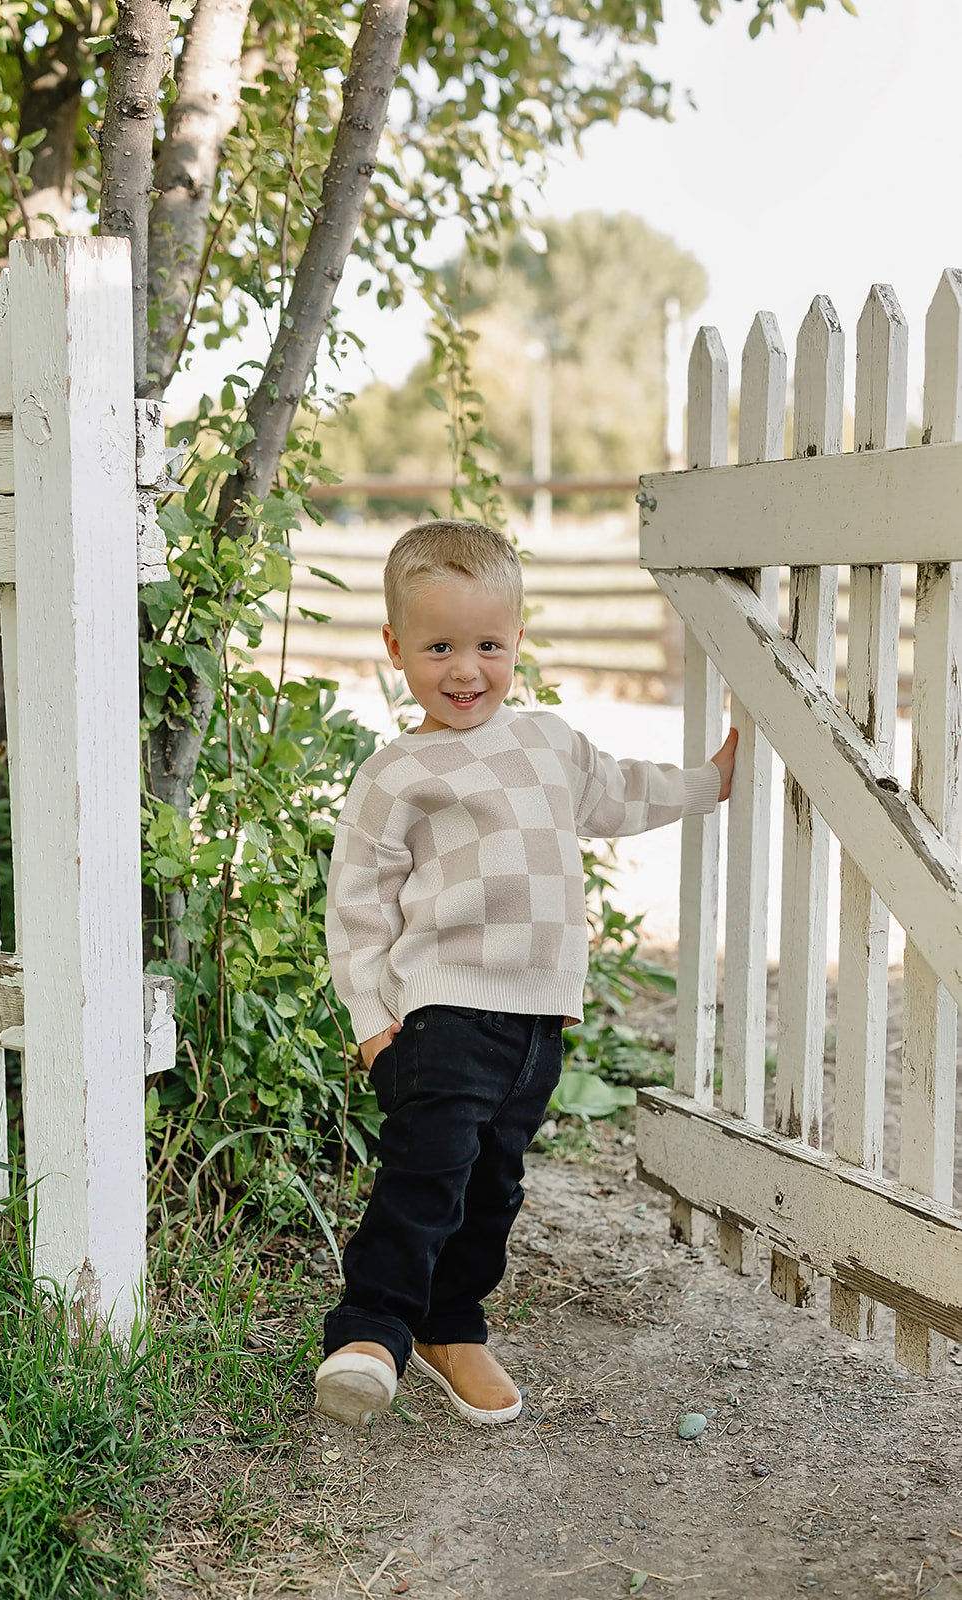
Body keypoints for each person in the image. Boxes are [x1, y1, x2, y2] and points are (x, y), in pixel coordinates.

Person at [314, 520, 736, 1428]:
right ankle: (370, 1332)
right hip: (441, 1018)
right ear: (394, 649)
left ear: (517, 640)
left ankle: (450, 1326)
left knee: (492, 1185)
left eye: (487, 646)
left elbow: (624, 792)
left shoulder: (549, 745)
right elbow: (355, 906)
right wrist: (369, 1021)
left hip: (538, 1024)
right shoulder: (397, 774)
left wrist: (711, 779)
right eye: (438, 648)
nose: (465, 670)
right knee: (423, 1176)